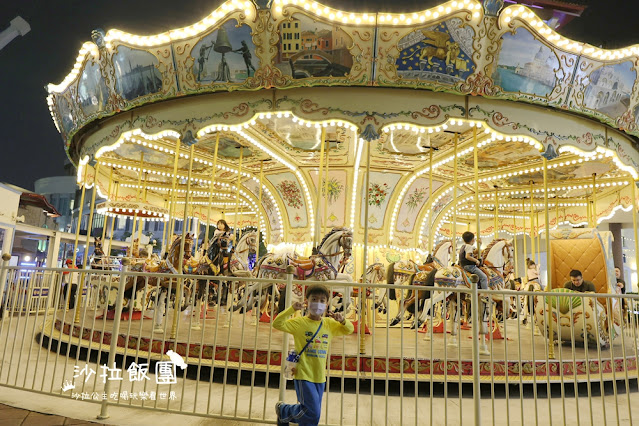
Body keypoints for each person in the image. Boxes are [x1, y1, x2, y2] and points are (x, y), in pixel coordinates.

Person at [273, 284, 354, 426]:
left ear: (327, 304)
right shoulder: (299, 323)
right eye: (314, 299)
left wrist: (342, 320)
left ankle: (284, 416)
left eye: (322, 300)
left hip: (320, 376)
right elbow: (277, 323)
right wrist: (292, 309)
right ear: (307, 301)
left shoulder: (329, 324)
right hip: (303, 374)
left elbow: (349, 329)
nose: (318, 303)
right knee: (313, 414)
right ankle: (283, 410)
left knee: (310, 414)